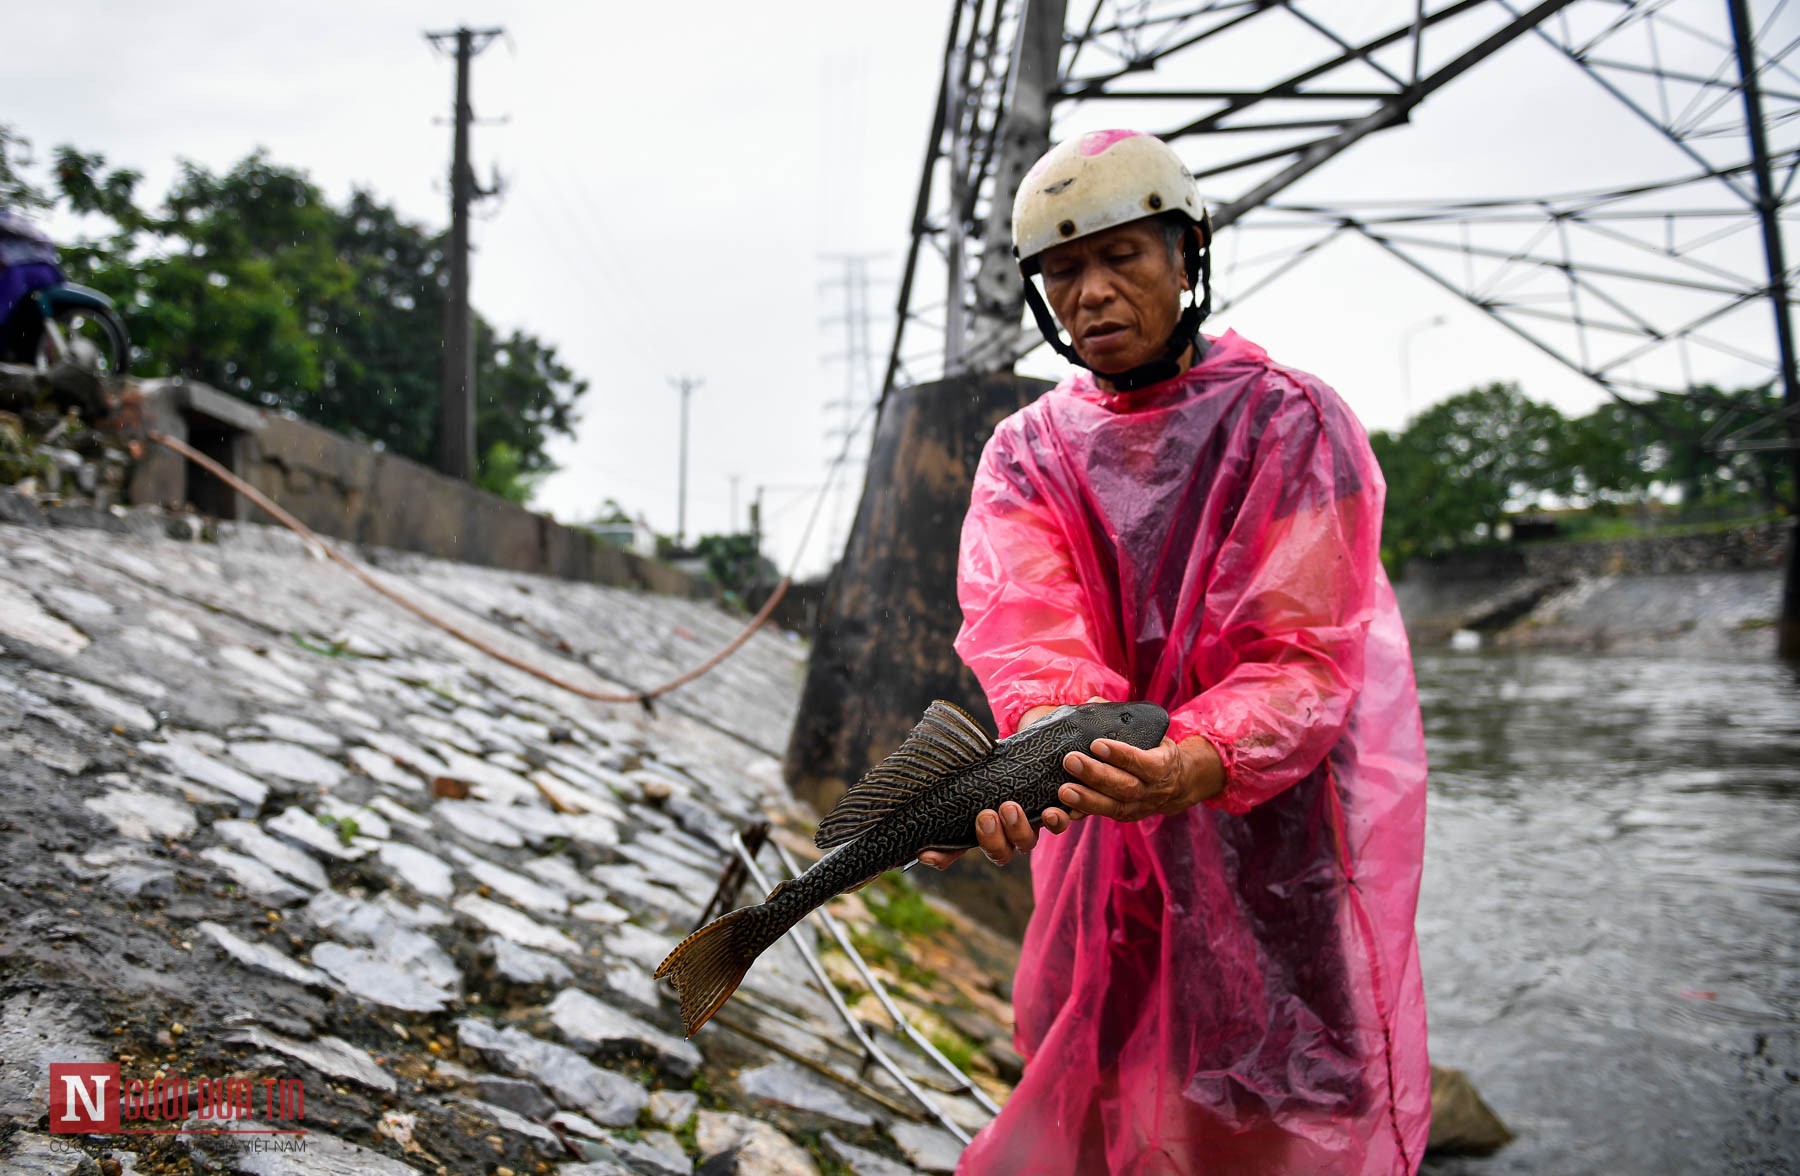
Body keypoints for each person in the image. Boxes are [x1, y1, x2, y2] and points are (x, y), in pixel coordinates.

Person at [918, 129, 1431, 1172]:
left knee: (1266, 1098)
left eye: (1124, 257)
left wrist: (1198, 760)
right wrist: (1053, 755)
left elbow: (1309, 658)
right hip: (1102, 839)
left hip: (1272, 848)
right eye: (1063, 270)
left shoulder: (1294, 422)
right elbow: (1029, 634)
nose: (1094, 292)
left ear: (1188, 251)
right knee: (1102, 1082)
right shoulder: (1025, 456)